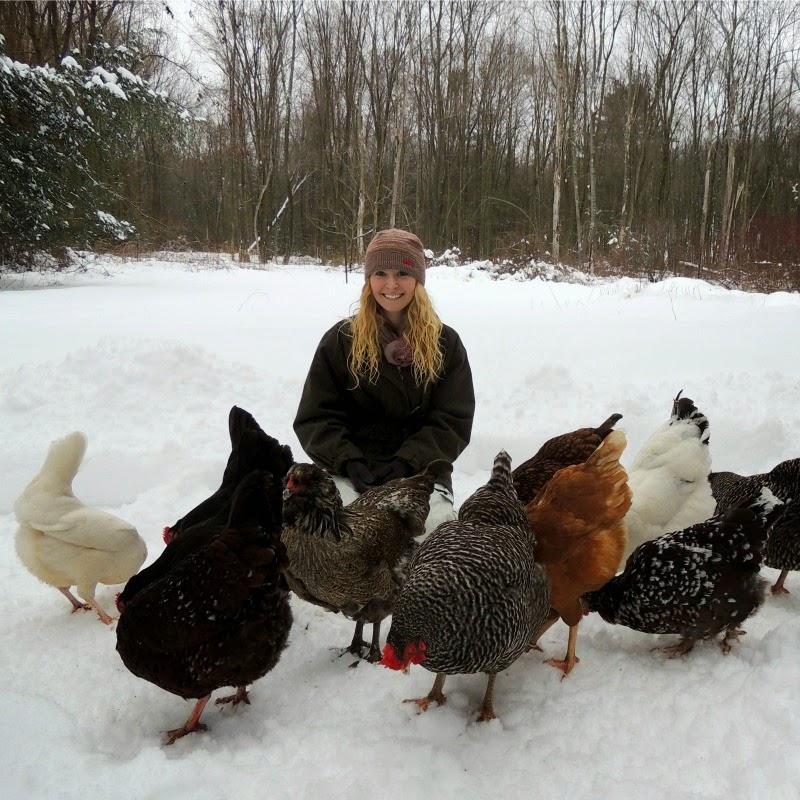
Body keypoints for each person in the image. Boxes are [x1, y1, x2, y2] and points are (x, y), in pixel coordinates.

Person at [293, 227, 475, 535]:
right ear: (368, 280)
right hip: (350, 472)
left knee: (436, 535)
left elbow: (452, 421)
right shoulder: (340, 340)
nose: (391, 284)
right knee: (332, 536)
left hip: (421, 473)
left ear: (418, 279)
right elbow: (317, 417)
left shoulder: (445, 342)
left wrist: (408, 462)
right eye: (380, 273)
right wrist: (349, 462)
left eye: (402, 272)